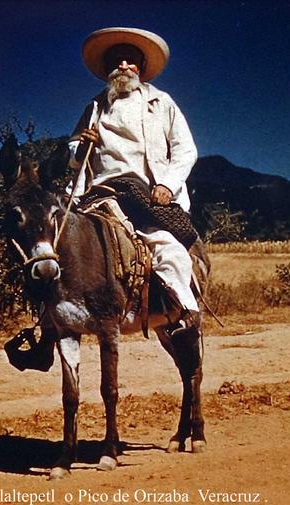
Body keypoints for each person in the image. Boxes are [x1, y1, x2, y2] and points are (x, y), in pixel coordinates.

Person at [68, 27, 200, 333]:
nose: (124, 66)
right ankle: (51, 325)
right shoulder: (95, 107)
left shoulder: (161, 102)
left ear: (140, 67)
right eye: (117, 61)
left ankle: (181, 311)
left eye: (130, 61)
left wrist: (167, 184)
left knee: (169, 248)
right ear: (108, 69)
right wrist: (81, 147)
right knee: (58, 246)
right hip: (100, 192)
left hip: (144, 194)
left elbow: (185, 149)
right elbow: (72, 150)